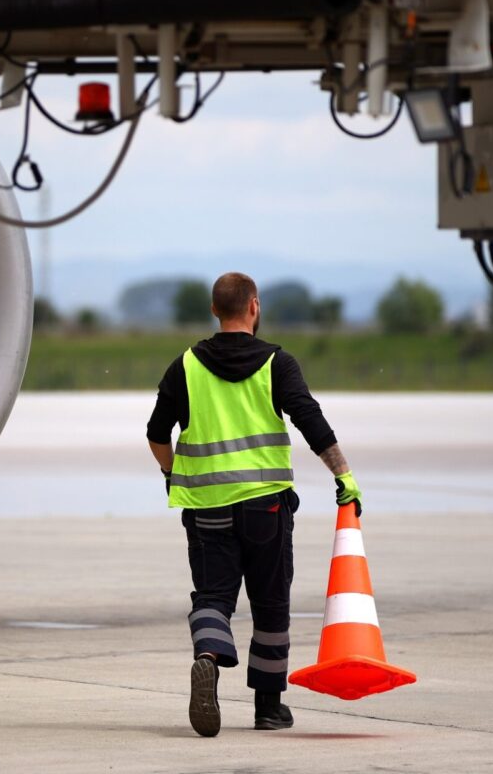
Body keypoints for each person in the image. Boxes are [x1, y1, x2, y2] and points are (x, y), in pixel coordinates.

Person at [146, 272, 362, 736]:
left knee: (213, 597)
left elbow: (156, 433)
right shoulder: (276, 364)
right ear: (254, 307)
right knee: (270, 603)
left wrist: (171, 475)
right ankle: (268, 707)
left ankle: (207, 658)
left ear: (213, 310)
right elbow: (310, 420)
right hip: (266, 508)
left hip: (206, 508)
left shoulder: (184, 366)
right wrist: (343, 475)